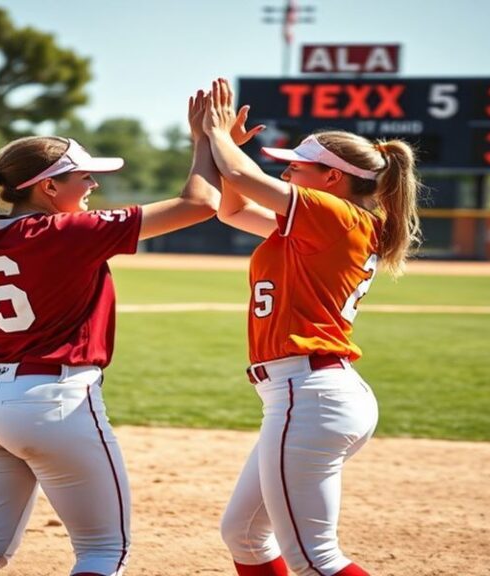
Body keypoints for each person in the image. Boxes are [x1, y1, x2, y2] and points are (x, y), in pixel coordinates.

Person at [0, 91, 220, 576]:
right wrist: (205, 141)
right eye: (84, 176)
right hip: (53, 399)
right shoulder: (66, 231)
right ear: (48, 187)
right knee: (103, 551)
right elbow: (200, 203)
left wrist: (4, 388)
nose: (94, 184)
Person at [203, 78, 422, 576]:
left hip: (310, 395)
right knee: (244, 533)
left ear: (332, 178)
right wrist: (226, 148)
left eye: (297, 166)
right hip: (313, 392)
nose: (286, 171)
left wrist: (215, 136)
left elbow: (239, 173)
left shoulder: (336, 215)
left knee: (315, 558)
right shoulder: (324, 223)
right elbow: (232, 208)